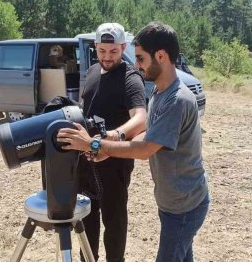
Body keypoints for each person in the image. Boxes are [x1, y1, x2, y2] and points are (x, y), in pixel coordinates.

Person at [58, 21, 210, 262]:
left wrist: (95, 145)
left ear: (160, 56)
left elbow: (145, 148)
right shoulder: (161, 92)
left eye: (139, 58)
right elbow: (150, 132)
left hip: (184, 205)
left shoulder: (176, 100)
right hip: (173, 201)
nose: (136, 65)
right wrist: (111, 140)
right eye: (102, 51)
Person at [77, 22, 147, 262]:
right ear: (96, 47)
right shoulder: (93, 71)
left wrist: (115, 135)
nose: (107, 57)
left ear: (123, 47)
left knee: (114, 223)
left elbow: (140, 118)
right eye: (102, 51)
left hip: (113, 164)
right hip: (86, 163)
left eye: (114, 52)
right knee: (86, 220)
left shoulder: (130, 78)